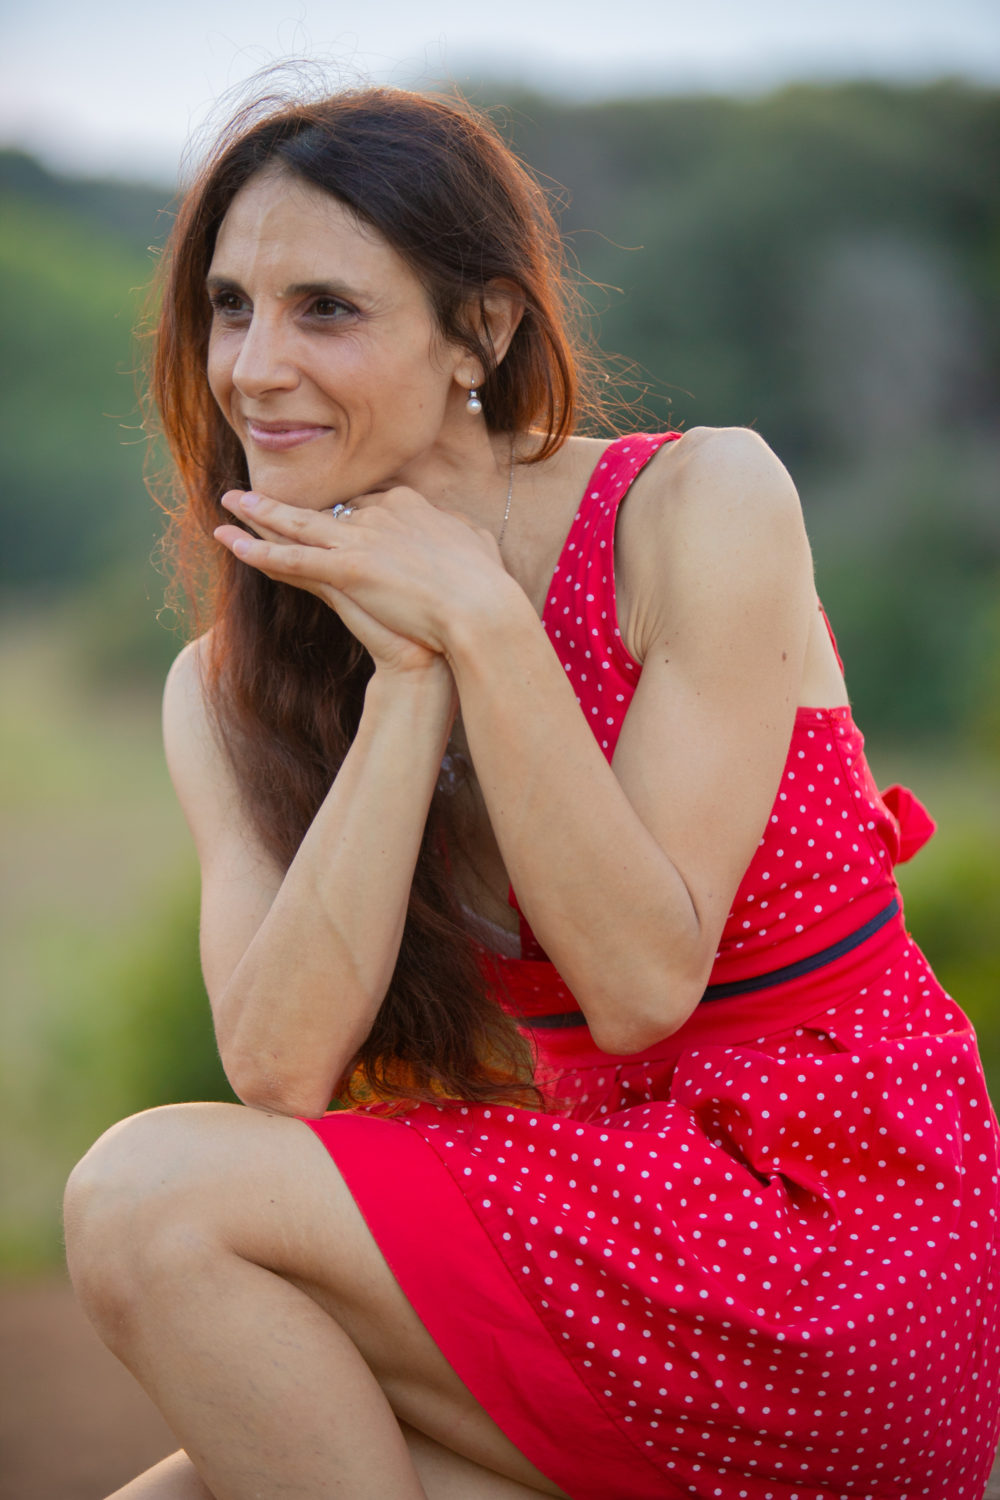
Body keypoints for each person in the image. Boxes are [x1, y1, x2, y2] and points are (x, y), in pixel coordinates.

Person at [63, 85, 1000, 1500]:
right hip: (607, 1234)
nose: (253, 368)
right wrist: (407, 685)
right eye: (229, 308)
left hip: (831, 1230)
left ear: (482, 332)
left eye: (326, 309)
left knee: (145, 1198)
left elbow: (639, 982)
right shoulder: (227, 690)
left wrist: (486, 626)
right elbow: (279, 1071)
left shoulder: (698, 505)